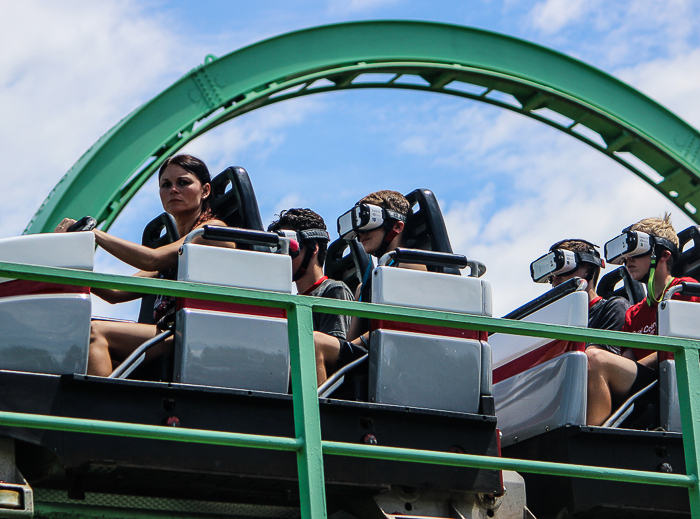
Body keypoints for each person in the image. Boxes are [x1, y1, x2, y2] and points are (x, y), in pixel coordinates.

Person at [55, 154, 235, 377]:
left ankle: (99, 409)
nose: (173, 190)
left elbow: (152, 259)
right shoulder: (175, 251)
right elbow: (116, 292)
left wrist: (92, 234)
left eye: (183, 182)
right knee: (77, 338)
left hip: (199, 335)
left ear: (205, 190)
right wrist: (67, 265)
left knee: (95, 333)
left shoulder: (210, 232)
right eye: (165, 185)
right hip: (173, 333)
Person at [587, 214, 700, 426]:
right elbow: (628, 361)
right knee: (587, 360)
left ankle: (595, 441)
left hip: (676, 386)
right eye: (626, 256)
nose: (628, 261)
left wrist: (625, 366)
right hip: (647, 387)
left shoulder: (684, 290)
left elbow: (686, 350)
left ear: (664, 255)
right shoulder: (634, 313)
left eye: (636, 254)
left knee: (595, 359)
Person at [313, 190, 426, 385]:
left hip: (394, 357)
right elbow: (351, 340)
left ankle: (322, 414)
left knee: (315, 343)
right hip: (370, 353)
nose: (361, 234)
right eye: (359, 228)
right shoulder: (365, 283)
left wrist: (338, 349)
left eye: (369, 225)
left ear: (397, 226)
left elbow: (397, 325)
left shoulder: (410, 266)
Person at [530, 239, 630, 423]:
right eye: (551, 275)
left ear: (586, 268)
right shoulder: (556, 325)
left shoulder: (613, 307)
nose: (554, 279)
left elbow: (599, 366)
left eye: (561, 270)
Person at [268, 208, 354, 384]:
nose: (282, 256)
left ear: (314, 248)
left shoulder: (333, 291)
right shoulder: (291, 302)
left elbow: (332, 359)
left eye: (290, 248)